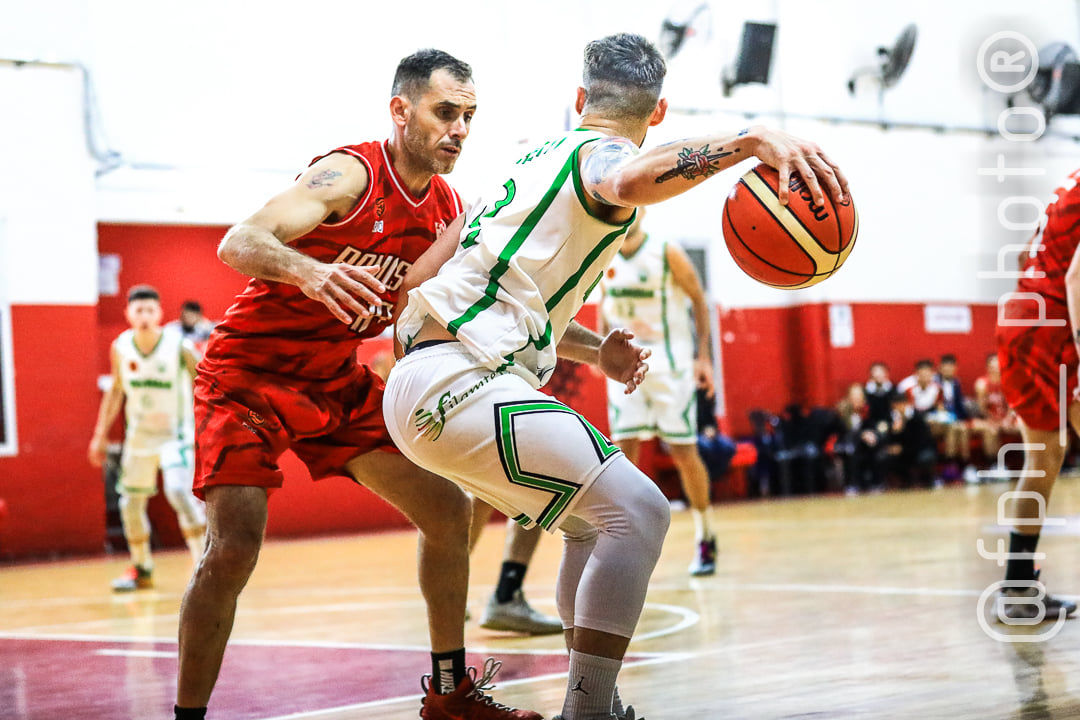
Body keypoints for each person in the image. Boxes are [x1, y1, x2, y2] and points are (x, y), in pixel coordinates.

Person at [383, 32, 847, 720]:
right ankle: (590, 711)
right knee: (642, 510)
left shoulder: (525, 164)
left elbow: (421, 284)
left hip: (425, 381)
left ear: (579, 99)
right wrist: (748, 141)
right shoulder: (604, 157)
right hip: (461, 382)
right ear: (657, 115)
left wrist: (595, 350)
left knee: (587, 524)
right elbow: (625, 178)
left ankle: (595, 702)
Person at [174, 50, 539, 720]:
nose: (458, 128)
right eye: (444, 112)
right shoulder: (349, 173)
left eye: (468, 116)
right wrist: (307, 272)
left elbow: (459, 303)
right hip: (249, 376)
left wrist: (595, 347)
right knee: (231, 551)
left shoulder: (447, 210)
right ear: (401, 111)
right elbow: (238, 240)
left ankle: (449, 693)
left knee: (449, 511)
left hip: (334, 381)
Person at [597, 209, 718, 575]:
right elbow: (603, 310)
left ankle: (706, 536)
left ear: (643, 210)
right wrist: (603, 353)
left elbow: (698, 298)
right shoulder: (604, 252)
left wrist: (703, 358)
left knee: (683, 450)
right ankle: (627, 542)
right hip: (626, 366)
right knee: (623, 452)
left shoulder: (666, 251)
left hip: (669, 363)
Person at [993, 167, 1080, 622]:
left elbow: (1029, 250)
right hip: (1056, 329)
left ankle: (1018, 588)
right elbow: (1077, 279)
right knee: (1045, 459)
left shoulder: (1070, 181)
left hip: (1024, 317)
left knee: (1044, 460)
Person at [88, 285, 207, 591]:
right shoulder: (121, 346)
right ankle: (142, 567)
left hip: (175, 434)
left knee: (179, 493)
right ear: (128, 313)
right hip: (139, 437)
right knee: (130, 503)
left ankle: (204, 567)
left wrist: (209, 427)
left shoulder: (179, 346)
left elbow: (204, 384)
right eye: (138, 310)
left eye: (150, 310)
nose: (144, 316)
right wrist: (100, 435)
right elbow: (115, 391)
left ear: (159, 313)